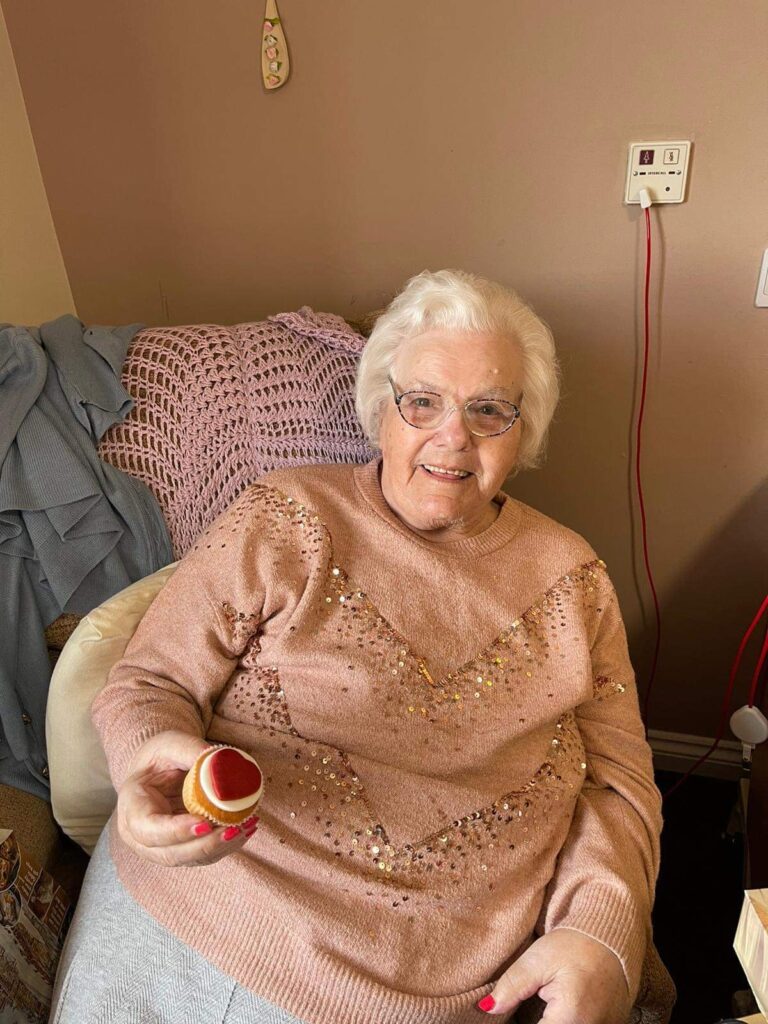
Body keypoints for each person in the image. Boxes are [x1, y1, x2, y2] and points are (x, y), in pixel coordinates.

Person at [50, 270, 675, 1024]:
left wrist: (597, 932)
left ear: (524, 433)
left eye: (489, 410)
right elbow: (152, 681)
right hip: (203, 917)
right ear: (381, 408)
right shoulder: (285, 515)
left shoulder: (574, 578)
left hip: (443, 983)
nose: (454, 436)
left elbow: (618, 785)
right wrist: (145, 754)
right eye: (423, 401)